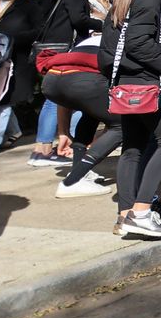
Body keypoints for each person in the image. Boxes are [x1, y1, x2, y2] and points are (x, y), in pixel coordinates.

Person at [98, 0, 161, 240]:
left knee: (133, 146)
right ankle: (142, 211)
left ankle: (125, 215)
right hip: (149, 81)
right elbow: (137, 43)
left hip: (130, 81)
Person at [27, 0, 100, 167]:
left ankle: (44, 149)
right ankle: (43, 151)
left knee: (54, 98)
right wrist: (104, 25)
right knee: (56, 100)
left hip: (49, 49)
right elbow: (78, 19)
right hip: (64, 50)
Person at [40, 33, 121, 198]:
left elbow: (67, 93)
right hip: (83, 81)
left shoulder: (92, 39)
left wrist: (63, 131)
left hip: (51, 80)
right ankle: (74, 180)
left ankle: (79, 172)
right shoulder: (126, 35)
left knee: (91, 114)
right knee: (123, 124)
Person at [0, 0, 39, 155]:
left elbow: (38, 31)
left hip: (17, 59)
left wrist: (13, 38)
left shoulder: (30, 5)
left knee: (4, 99)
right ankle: (14, 131)